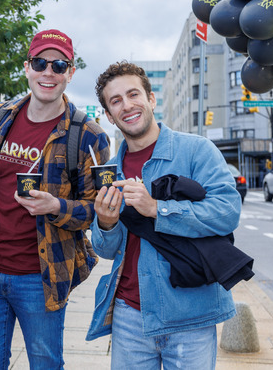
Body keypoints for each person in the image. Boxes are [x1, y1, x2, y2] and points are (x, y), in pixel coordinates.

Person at [0, 29, 110, 369]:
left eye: (59, 65)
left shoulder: (88, 134)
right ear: (27, 68)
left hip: (41, 275)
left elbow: (98, 211)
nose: (49, 72)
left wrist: (56, 207)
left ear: (70, 73)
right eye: (40, 63)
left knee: (45, 364)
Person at [85, 61, 242, 369]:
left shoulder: (197, 150)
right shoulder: (109, 172)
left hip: (190, 316)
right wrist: (105, 222)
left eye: (133, 94)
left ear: (151, 99)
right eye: (116, 101)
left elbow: (227, 212)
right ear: (109, 116)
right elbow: (106, 250)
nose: (127, 105)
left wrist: (157, 208)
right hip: (129, 316)